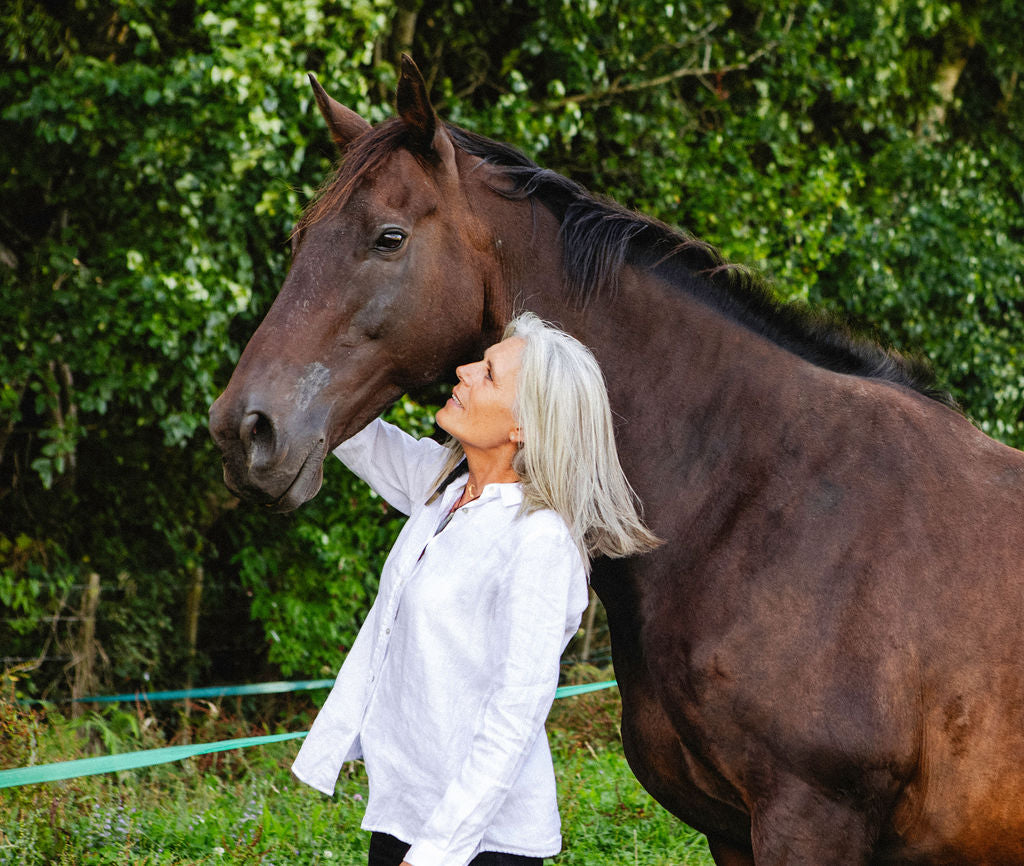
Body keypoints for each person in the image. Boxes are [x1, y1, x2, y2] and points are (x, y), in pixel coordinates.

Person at [291, 312, 660, 866]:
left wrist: (438, 852)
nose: (462, 371)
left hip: (478, 844)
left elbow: (516, 713)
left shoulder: (538, 541)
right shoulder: (444, 490)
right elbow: (354, 434)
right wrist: (307, 345)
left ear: (524, 427)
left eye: (487, 373)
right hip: (406, 817)